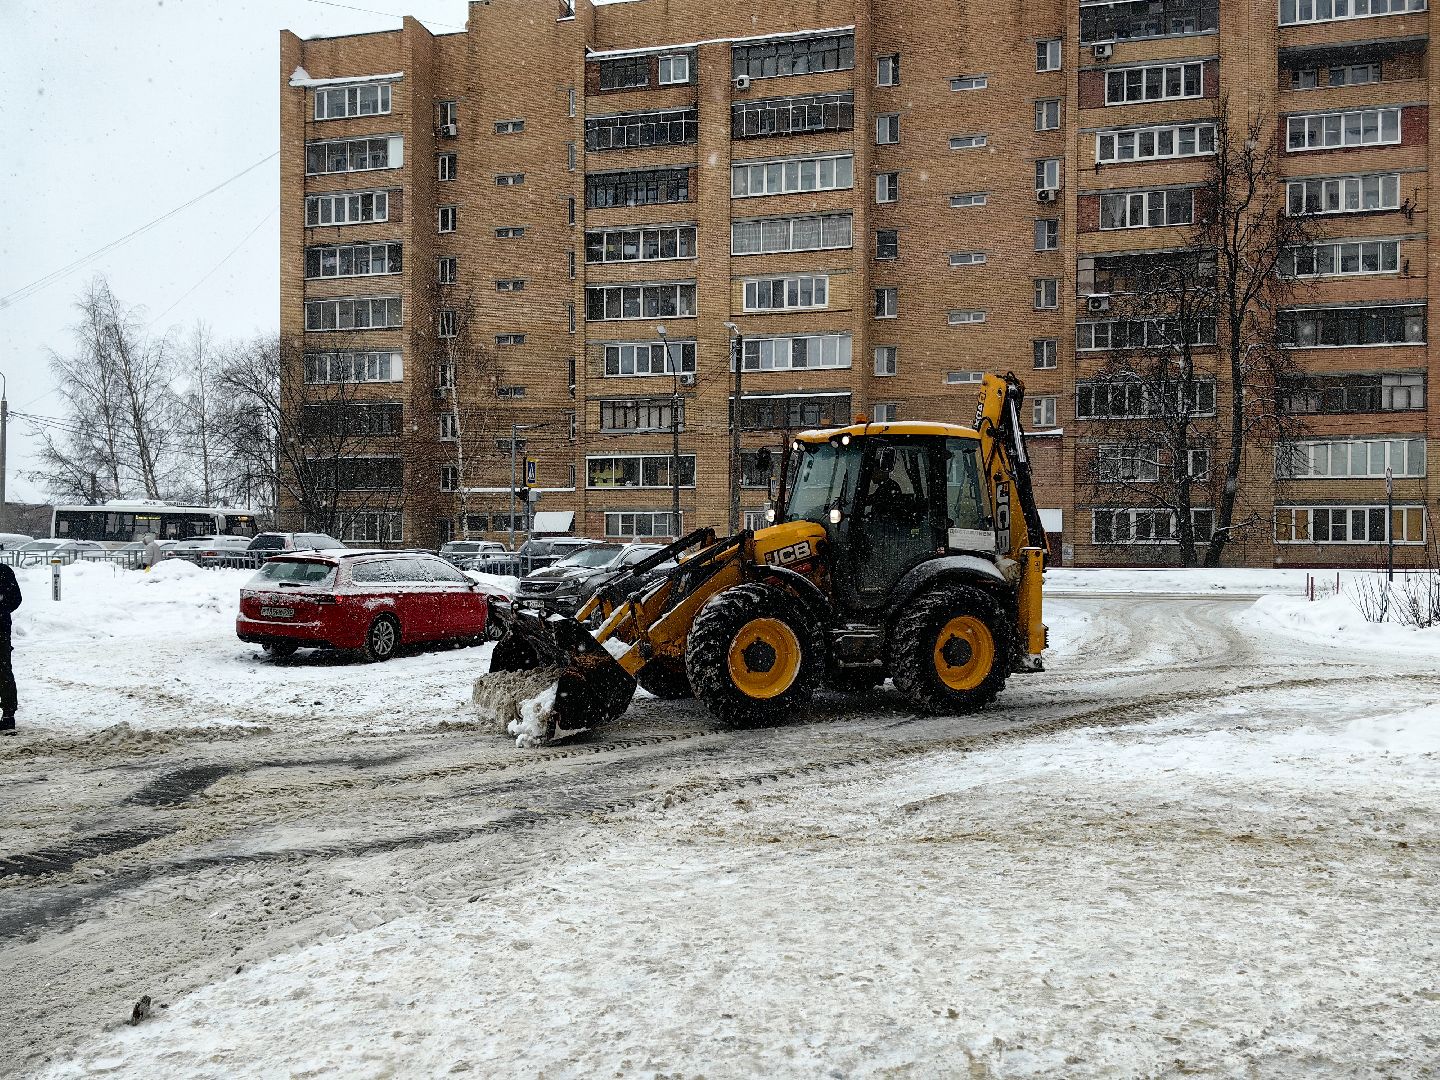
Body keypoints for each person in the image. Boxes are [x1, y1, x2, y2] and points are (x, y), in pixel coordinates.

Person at [0, 560, 20, 734]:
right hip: (1, 629)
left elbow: (15, 599)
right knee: (4, 671)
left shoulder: (4, 572)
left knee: (3, 671)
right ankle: (8, 715)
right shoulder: (4, 571)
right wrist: (3, 610)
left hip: (1, 628)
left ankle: (8, 715)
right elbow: (16, 599)